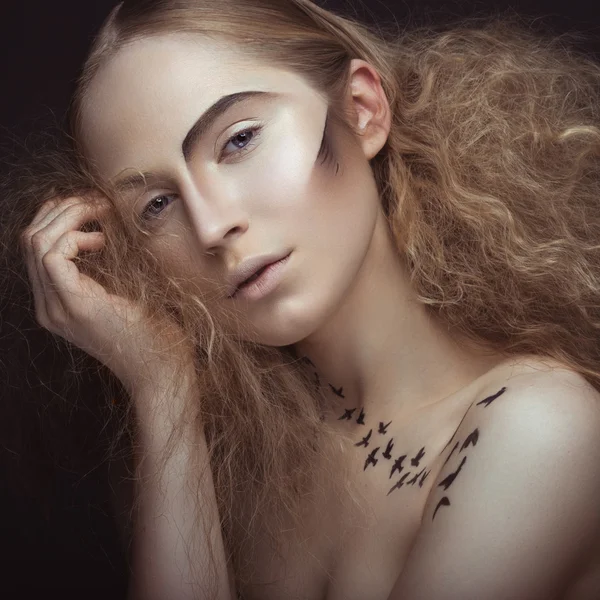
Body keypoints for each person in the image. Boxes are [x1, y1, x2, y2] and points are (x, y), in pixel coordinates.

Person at [13, 0, 600, 598]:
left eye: (239, 140)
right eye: (156, 206)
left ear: (362, 110)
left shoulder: (540, 427)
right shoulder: (242, 459)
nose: (212, 226)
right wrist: (164, 391)